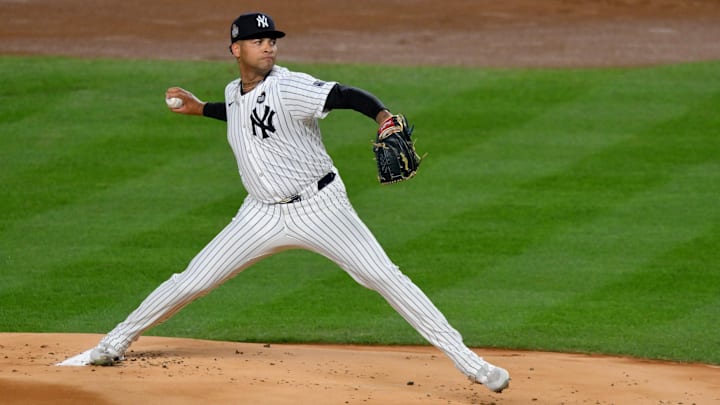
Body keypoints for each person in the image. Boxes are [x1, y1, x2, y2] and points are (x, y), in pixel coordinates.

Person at [84, 12, 510, 392]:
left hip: (321, 209)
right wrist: (199, 109)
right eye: (258, 41)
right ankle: (114, 342)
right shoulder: (234, 91)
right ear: (236, 49)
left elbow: (345, 95)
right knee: (193, 280)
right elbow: (239, 111)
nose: (268, 46)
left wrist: (382, 117)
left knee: (386, 278)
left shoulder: (291, 86)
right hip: (261, 213)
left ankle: (473, 364)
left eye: (272, 40)